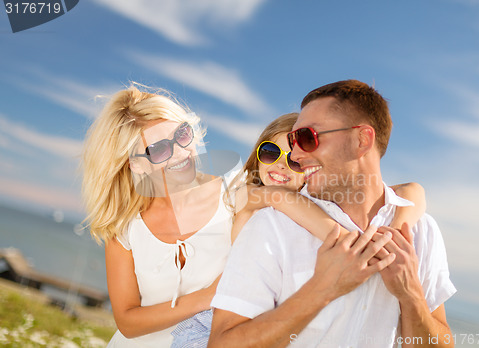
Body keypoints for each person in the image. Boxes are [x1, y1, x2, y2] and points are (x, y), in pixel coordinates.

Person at [209, 80, 456, 347]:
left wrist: (412, 298)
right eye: (293, 141)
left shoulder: (421, 231)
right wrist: (322, 289)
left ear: (361, 140)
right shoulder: (271, 224)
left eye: (307, 138)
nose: (296, 154)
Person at [171, 112, 426, 347]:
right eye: (271, 152)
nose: (281, 165)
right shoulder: (249, 195)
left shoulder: (318, 206)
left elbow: (413, 190)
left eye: (294, 161)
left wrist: (390, 233)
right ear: (257, 153)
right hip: (217, 329)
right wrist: (361, 246)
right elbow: (283, 199)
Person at [81, 85, 240, 347]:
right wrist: (207, 296)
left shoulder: (235, 196)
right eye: (159, 149)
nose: (180, 153)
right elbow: (128, 322)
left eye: (182, 134)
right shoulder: (124, 226)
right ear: (137, 163)